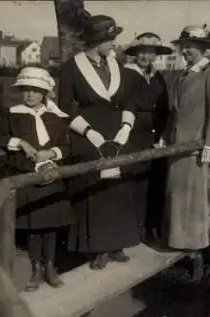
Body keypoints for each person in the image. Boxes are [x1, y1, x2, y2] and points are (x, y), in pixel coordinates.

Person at [59, 14, 150, 270]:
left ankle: (118, 243)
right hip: (89, 135)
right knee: (95, 191)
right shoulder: (71, 69)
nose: (114, 44)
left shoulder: (117, 66)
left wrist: (125, 128)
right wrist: (91, 134)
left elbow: (129, 102)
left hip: (119, 135)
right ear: (97, 40)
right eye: (110, 39)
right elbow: (65, 109)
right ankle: (98, 248)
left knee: (119, 190)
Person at [0, 66, 73, 291]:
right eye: (27, 90)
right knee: (33, 226)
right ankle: (35, 269)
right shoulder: (13, 114)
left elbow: (67, 146)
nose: (31, 95)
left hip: (51, 175)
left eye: (36, 91)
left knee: (51, 225)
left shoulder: (56, 117)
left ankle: (50, 267)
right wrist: (19, 143)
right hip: (25, 176)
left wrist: (52, 153)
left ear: (45, 93)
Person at [163, 25, 210, 277]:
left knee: (193, 196)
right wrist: (164, 138)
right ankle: (178, 243)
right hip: (176, 144)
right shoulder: (180, 75)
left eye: (190, 47)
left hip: (195, 145)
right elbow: (173, 113)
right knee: (176, 193)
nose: (185, 51)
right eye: (183, 46)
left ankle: (196, 249)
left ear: (202, 49)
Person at [122, 32, 172, 242]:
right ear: (134, 53)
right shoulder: (125, 74)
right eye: (142, 52)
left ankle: (150, 229)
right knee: (132, 185)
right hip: (132, 137)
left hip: (155, 138)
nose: (146, 57)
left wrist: (162, 135)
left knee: (154, 182)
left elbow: (164, 109)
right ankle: (130, 232)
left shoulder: (158, 77)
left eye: (151, 53)